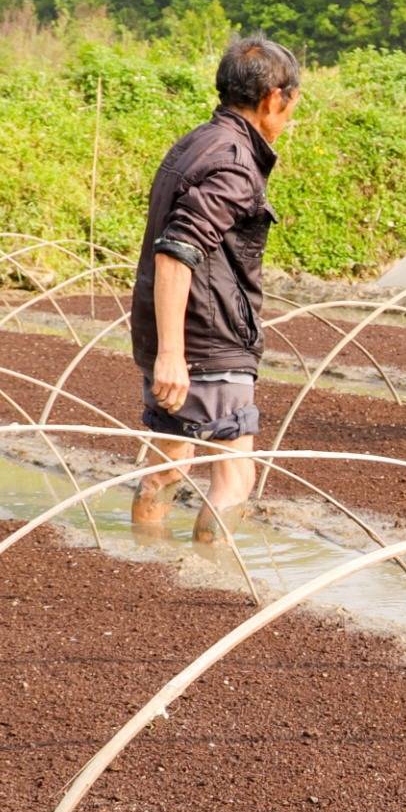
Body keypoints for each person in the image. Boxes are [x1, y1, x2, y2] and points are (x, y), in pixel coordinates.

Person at [128, 33, 301, 540]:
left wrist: (165, 348)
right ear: (275, 97)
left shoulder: (196, 141)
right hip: (209, 339)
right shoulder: (234, 162)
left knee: (168, 464)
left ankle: (145, 560)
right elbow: (177, 250)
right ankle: (211, 575)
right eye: (291, 103)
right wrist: (172, 357)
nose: (290, 116)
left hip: (172, 330)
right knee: (234, 476)